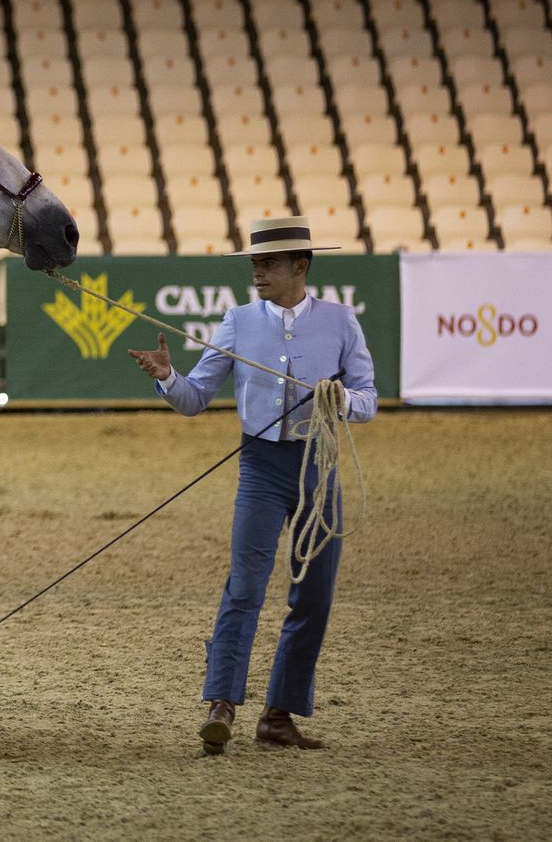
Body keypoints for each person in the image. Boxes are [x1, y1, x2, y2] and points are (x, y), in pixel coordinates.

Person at [127, 216, 377, 754]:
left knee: (314, 594)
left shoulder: (340, 321)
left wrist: (343, 401)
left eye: (267, 263)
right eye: (255, 263)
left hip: (318, 465)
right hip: (260, 469)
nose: (258, 272)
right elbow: (195, 398)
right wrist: (167, 377)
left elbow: (368, 398)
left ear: (300, 267)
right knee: (245, 585)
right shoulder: (238, 321)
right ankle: (222, 702)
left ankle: (279, 715)